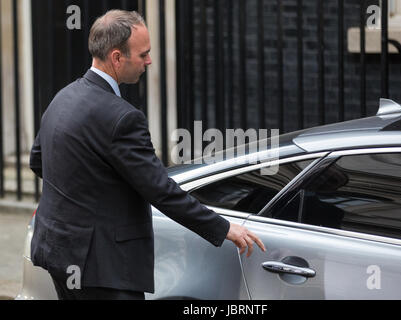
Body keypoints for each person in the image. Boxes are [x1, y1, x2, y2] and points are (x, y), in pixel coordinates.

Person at [29, 9, 265, 300]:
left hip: (59, 252)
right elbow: (161, 190)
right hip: (103, 266)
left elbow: (39, 161)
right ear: (117, 57)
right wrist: (223, 228)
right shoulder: (123, 118)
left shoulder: (62, 97)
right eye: (143, 54)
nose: (149, 61)